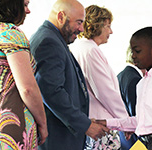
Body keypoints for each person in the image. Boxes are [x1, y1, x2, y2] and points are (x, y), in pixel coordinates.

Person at [29, 1, 109, 150]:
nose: (81, 29)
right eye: (79, 22)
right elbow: (51, 92)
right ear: (61, 16)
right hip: (57, 138)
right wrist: (85, 125)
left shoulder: (53, 38)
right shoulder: (49, 41)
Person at [71, 5, 129, 150]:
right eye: (108, 26)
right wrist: (126, 121)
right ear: (97, 25)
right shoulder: (90, 50)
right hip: (99, 125)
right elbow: (105, 92)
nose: (111, 31)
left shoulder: (77, 47)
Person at [0, 0, 48, 149]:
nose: (28, 11)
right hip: (11, 129)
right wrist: (43, 123)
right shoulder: (10, 34)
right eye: (24, 5)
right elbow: (27, 88)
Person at [117, 47, 145, 149]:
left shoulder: (120, 75)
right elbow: (136, 113)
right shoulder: (134, 79)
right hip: (134, 138)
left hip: (124, 137)